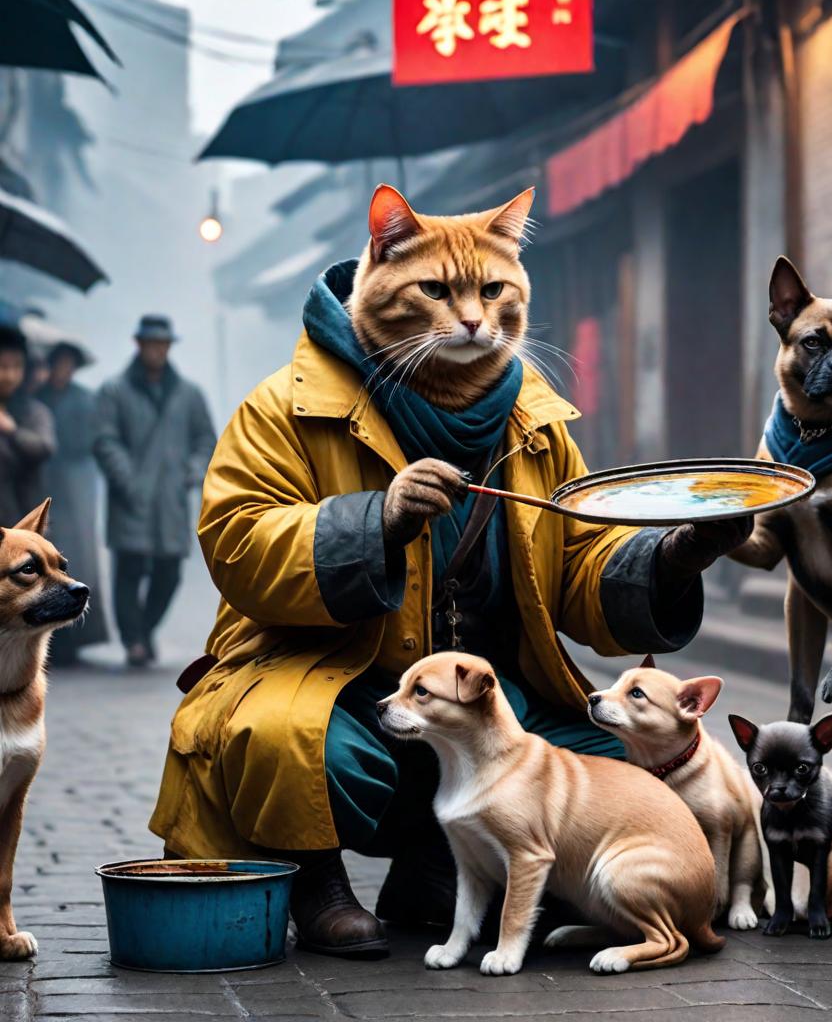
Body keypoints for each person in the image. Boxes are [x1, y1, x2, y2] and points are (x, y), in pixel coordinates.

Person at [150, 188, 753, 959]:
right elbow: (236, 541)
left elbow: (576, 567)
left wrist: (675, 556)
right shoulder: (284, 407)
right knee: (291, 744)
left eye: (492, 290)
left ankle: (435, 869)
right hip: (343, 682)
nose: (472, 315)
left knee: (618, 767)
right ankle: (313, 878)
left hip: (482, 704)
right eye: (437, 291)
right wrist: (378, 521)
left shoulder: (534, 420)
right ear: (382, 255)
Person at [94, 315, 216, 668]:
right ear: (139, 345)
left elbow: (206, 439)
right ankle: (133, 641)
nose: (157, 350)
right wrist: (127, 479)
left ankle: (145, 632)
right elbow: (105, 441)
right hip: (128, 498)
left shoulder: (189, 394)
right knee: (128, 571)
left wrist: (191, 473)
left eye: (163, 344)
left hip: (171, 501)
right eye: (151, 343)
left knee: (169, 572)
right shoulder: (114, 390)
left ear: (169, 347)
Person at [38, 341, 110, 665]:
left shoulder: (85, 399)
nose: (62, 370)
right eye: (59, 363)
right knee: (45, 554)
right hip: (47, 480)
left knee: (80, 554)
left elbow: (94, 440)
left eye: (68, 364)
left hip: (78, 482)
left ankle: (79, 635)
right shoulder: (38, 398)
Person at [0, 324, 56, 526]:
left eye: (16, 367)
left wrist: (12, 431)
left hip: (21, 520)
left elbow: (45, 446)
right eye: (3, 367)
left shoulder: (33, 412)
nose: (10, 376)